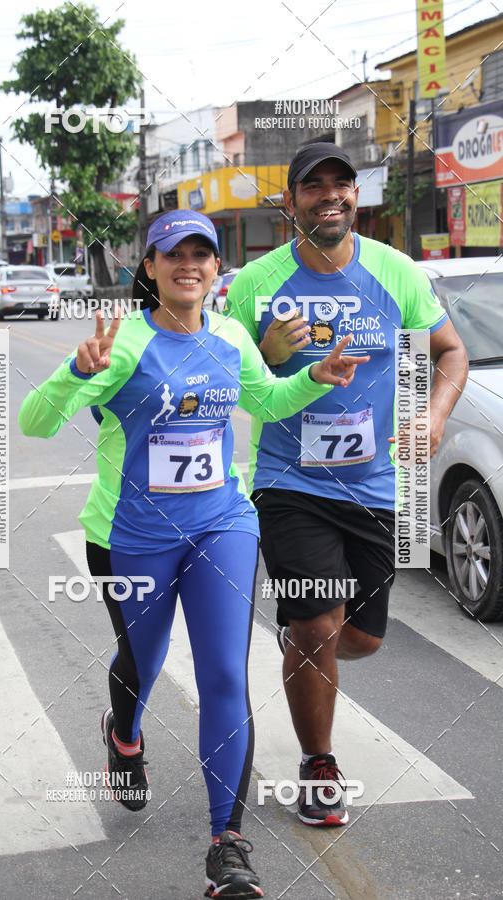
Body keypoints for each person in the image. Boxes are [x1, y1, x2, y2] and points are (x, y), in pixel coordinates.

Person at [18, 209, 369, 897]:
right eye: (173, 253)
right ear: (150, 267)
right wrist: (71, 371)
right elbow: (36, 422)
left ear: (215, 268)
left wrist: (315, 378)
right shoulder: (123, 345)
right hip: (130, 538)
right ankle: (123, 734)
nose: (190, 264)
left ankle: (226, 848)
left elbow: (263, 401)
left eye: (202, 254)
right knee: (141, 664)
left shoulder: (232, 334)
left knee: (221, 676)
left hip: (222, 524)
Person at [224, 142, 468, 827]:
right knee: (316, 618)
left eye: (341, 185)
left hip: (376, 485)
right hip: (288, 480)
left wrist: (435, 413)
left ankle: (304, 639)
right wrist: (268, 357)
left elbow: (451, 352)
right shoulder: (256, 285)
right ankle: (318, 763)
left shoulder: (396, 273)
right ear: (292, 201)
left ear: (355, 197)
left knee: (358, 639)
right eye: (313, 187)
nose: (329, 196)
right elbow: (225, 378)